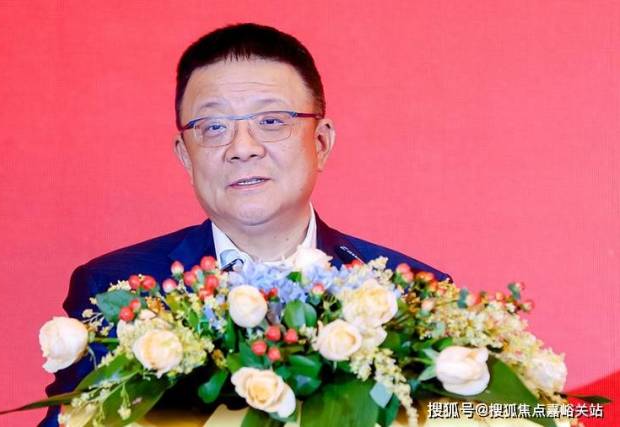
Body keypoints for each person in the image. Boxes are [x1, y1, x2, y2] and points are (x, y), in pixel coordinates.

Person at [38, 23, 448, 427]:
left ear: (320, 142)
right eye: (214, 127)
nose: (243, 148)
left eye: (271, 121)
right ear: (185, 155)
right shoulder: (114, 289)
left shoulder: (412, 295)